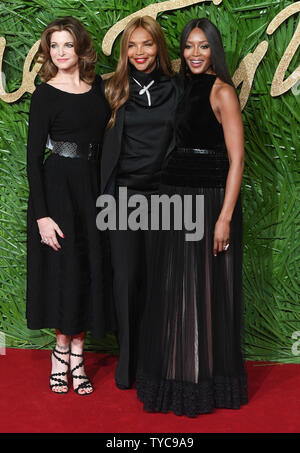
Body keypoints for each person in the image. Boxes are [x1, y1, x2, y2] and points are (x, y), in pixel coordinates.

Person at [136, 18, 248, 417]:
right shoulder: (179, 88)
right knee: (174, 291)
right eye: (188, 46)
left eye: (202, 46)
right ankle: (175, 375)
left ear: (214, 49)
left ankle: (201, 380)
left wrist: (224, 218)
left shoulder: (222, 92)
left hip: (207, 202)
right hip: (174, 200)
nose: (195, 54)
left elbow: (237, 160)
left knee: (202, 292)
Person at [26, 16, 112, 395]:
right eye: (54, 46)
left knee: (89, 269)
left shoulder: (101, 90)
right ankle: (61, 353)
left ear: (81, 48)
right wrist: (43, 216)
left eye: (67, 45)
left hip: (93, 188)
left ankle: (78, 351)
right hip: (58, 189)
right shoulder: (44, 94)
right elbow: (31, 159)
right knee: (65, 272)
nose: (60, 53)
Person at [101, 16, 182, 389]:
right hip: (122, 198)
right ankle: (128, 363)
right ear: (124, 51)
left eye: (146, 44)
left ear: (158, 47)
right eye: (132, 45)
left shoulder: (178, 89)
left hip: (165, 198)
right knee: (126, 279)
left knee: (161, 282)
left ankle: (157, 362)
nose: (139, 52)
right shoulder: (112, 90)